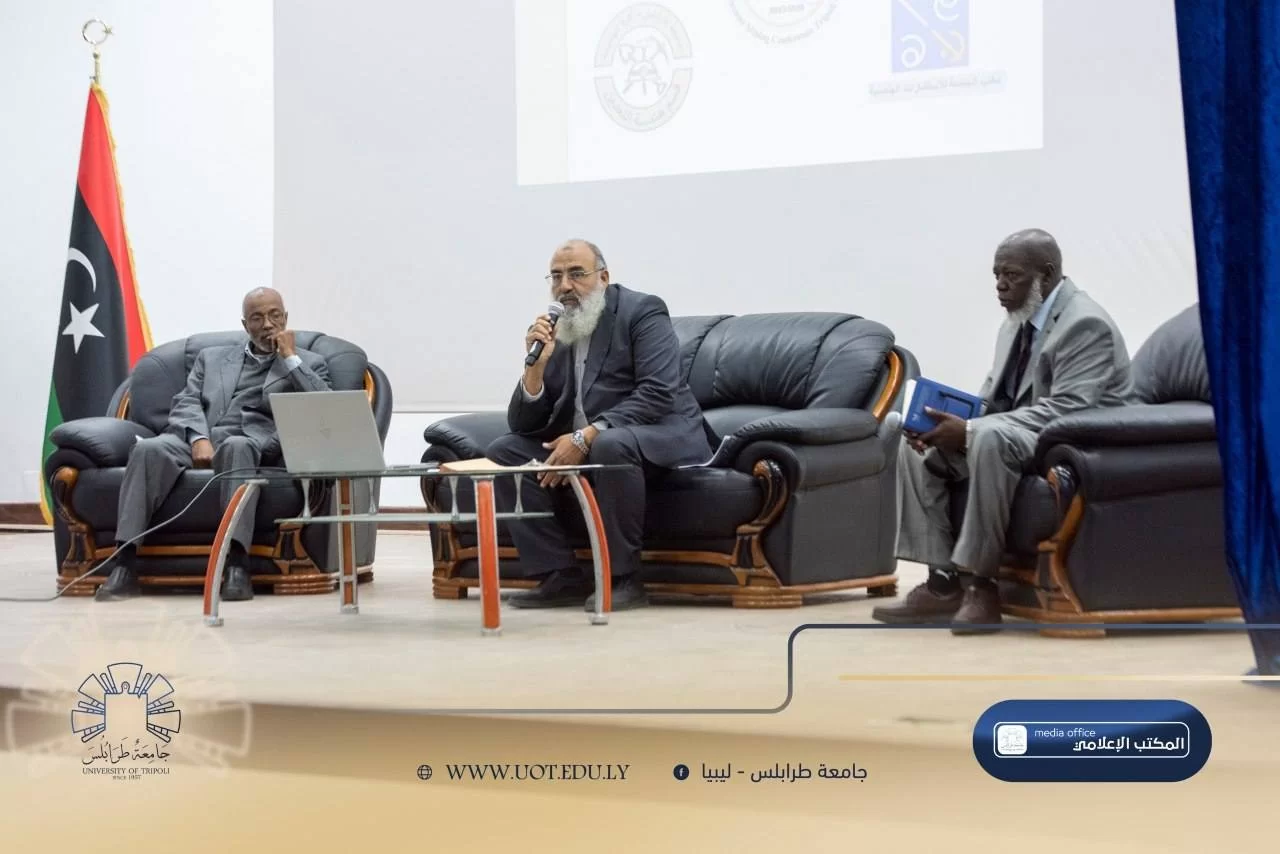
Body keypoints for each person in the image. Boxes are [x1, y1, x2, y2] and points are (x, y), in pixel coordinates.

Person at [873, 229, 1135, 633]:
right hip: (1022, 431)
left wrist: (971, 430)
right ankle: (943, 584)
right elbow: (994, 400)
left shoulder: (1085, 324)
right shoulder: (1015, 323)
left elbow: (1069, 410)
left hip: (1072, 441)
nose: (1000, 285)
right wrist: (940, 424)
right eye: (996, 275)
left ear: (1046, 274)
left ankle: (982, 587)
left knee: (988, 438)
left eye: (1011, 275)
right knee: (918, 444)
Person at [486, 239, 712, 610]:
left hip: (657, 434)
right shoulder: (558, 328)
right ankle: (560, 576)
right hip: (594, 441)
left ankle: (625, 579)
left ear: (603, 277)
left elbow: (658, 392)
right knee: (506, 451)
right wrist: (535, 369)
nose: (565, 286)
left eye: (577, 274)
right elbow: (523, 424)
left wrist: (586, 437)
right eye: (556, 276)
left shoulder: (642, 311)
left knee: (611, 443)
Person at [95, 287, 332, 602]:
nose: (267, 324)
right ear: (245, 325)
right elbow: (187, 401)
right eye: (257, 318)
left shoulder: (309, 362)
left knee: (237, 446)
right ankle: (124, 564)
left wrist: (290, 358)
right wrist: (199, 438)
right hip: (200, 436)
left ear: (286, 318)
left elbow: (326, 407)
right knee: (148, 449)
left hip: (252, 443)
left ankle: (237, 564)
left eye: (275, 315)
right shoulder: (212, 358)